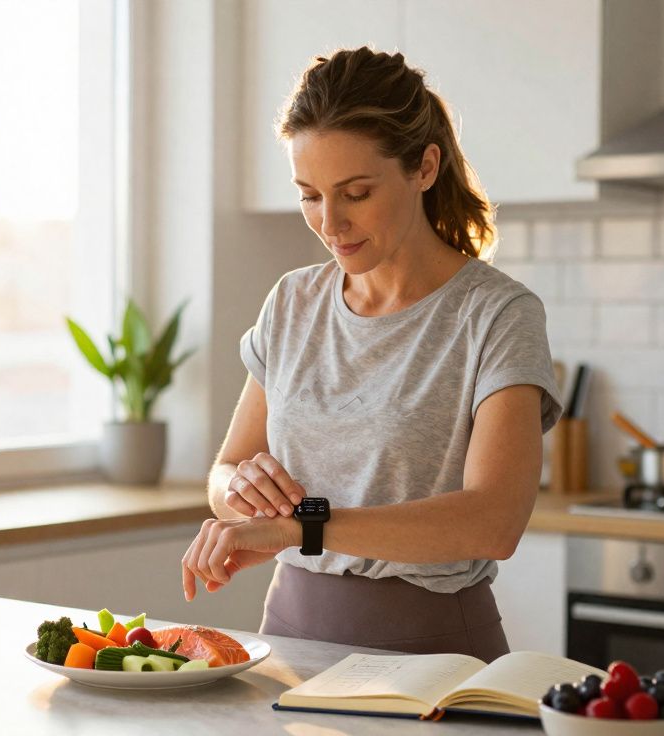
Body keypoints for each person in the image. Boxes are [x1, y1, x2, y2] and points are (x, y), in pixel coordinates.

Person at [179, 47, 562, 661]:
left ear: (425, 167)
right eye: (309, 195)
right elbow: (224, 474)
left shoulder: (496, 314)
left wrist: (302, 525)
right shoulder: (293, 302)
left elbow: (494, 522)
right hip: (286, 638)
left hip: (435, 652)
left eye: (356, 192)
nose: (330, 222)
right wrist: (241, 491)